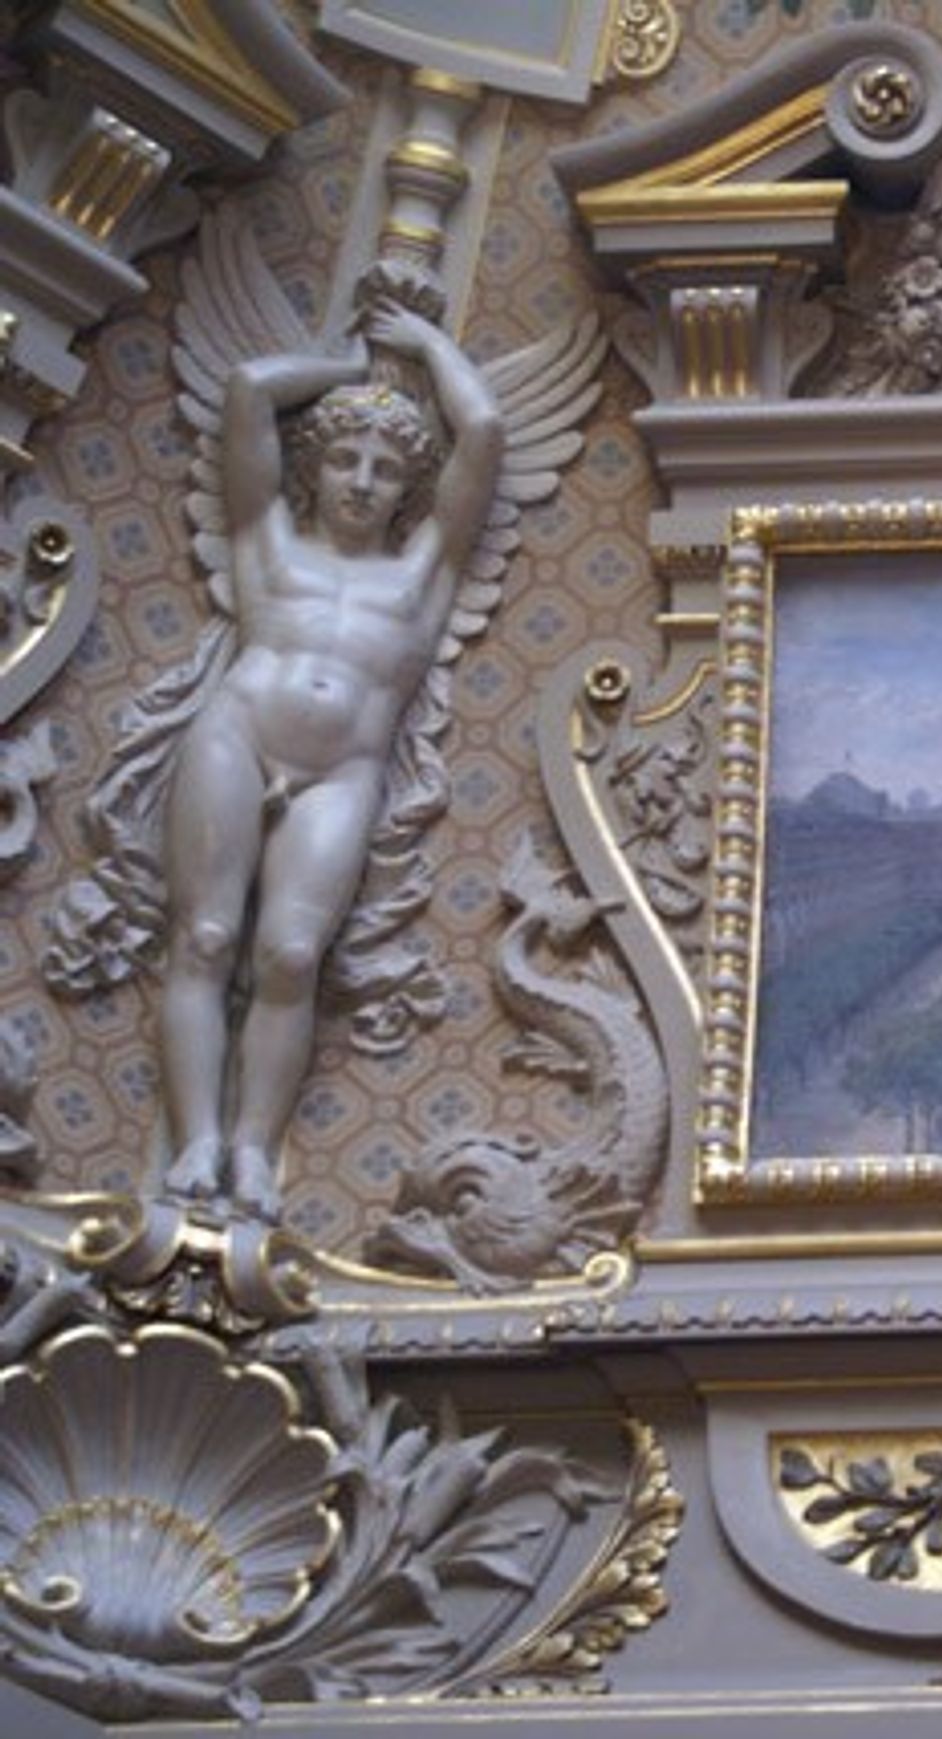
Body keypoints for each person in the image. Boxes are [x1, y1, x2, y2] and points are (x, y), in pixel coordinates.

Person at [158, 304, 502, 1218]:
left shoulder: (423, 572)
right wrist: (350, 366)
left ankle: (252, 1150)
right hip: (237, 734)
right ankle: (195, 1139)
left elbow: (483, 431)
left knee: (292, 952)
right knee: (205, 937)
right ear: (313, 467)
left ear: (408, 489)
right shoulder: (267, 541)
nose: (362, 481)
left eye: (386, 470)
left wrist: (428, 346)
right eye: (346, 459)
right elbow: (247, 392)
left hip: (344, 770)